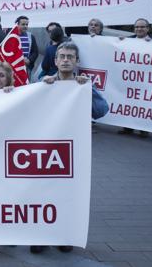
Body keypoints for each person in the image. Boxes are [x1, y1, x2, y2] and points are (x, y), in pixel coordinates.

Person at [34, 41, 109, 255]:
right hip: (46, 149)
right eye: (62, 57)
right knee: (42, 193)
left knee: (67, 194)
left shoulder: (83, 85)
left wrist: (88, 89)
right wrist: (42, 88)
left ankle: (64, 236)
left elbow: (101, 110)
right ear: (55, 61)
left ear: (76, 62)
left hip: (72, 151)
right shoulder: (44, 82)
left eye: (70, 57)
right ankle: (40, 236)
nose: (66, 60)